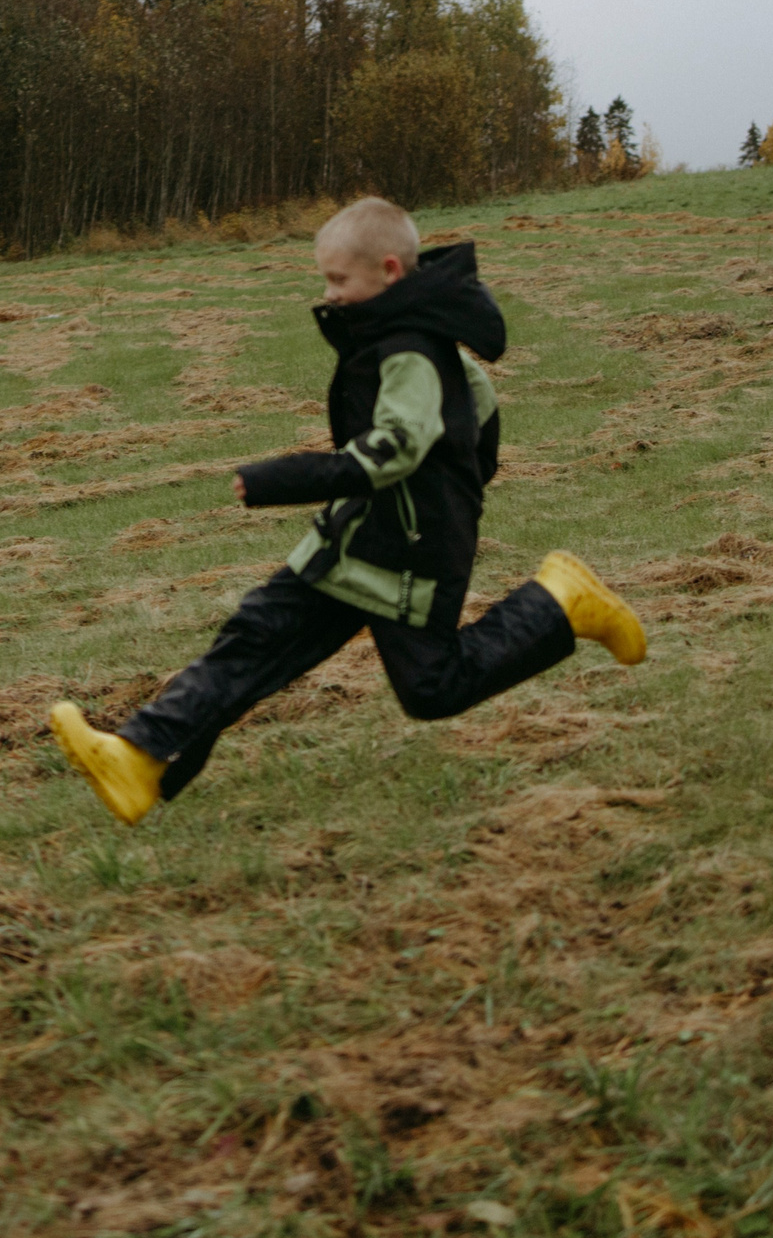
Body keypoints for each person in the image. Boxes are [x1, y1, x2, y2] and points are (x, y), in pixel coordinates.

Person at [50, 195, 648, 826]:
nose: (328, 293)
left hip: (408, 553)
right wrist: (463, 475)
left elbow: (391, 451)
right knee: (254, 640)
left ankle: (559, 602)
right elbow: (483, 406)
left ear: (388, 271)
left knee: (432, 688)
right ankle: (142, 759)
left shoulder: (409, 350)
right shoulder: (397, 333)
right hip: (357, 539)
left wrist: (284, 479)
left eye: (338, 279)